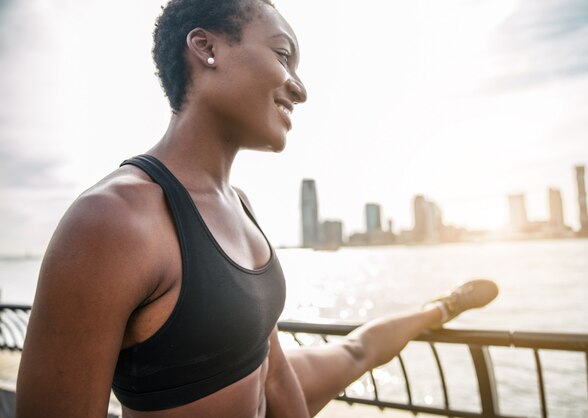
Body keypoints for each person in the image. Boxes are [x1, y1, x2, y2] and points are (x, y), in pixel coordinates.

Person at [15, 1, 498, 417]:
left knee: (357, 350)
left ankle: (442, 306)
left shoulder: (239, 204)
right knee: (355, 351)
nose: (301, 89)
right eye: (284, 56)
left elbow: (273, 372)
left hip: (268, 392)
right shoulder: (112, 220)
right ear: (206, 49)